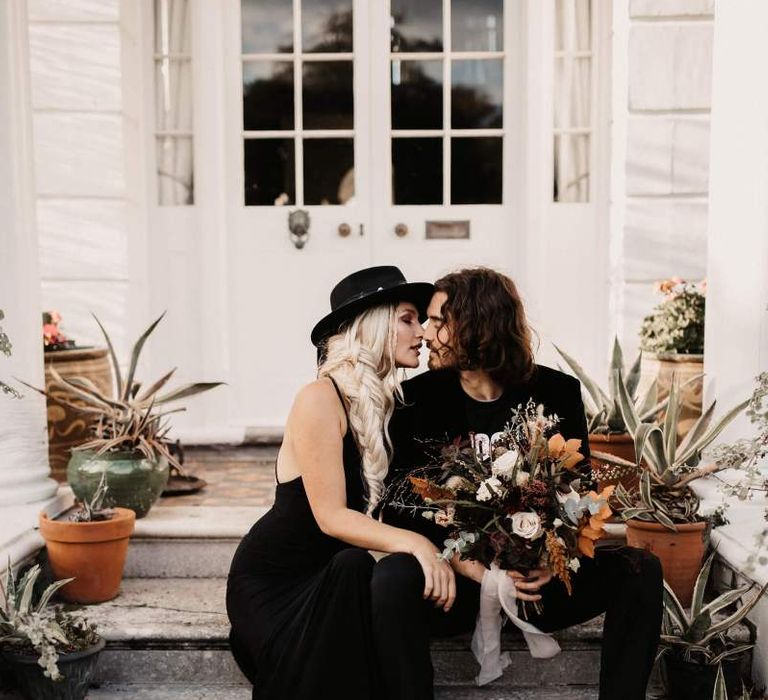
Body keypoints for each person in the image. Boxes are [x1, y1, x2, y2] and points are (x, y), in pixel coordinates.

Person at [381, 267, 663, 700]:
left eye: (438, 322)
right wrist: (478, 572)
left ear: (477, 325)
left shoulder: (556, 392)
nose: (426, 333)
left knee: (640, 568)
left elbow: (579, 496)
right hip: (460, 589)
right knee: (393, 576)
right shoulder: (415, 402)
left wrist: (554, 560)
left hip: (541, 586)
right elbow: (404, 510)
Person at [226, 266, 458, 700]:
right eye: (408, 319)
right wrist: (421, 546)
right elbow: (331, 517)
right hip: (275, 587)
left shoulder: (387, 405)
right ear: (373, 326)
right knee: (355, 565)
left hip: (335, 579)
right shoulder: (319, 397)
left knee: (360, 571)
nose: (423, 332)